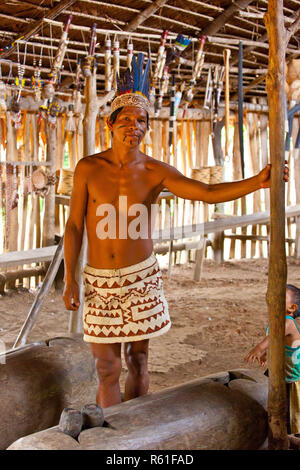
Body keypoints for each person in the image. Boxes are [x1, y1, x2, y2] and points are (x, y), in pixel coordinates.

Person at [62, 53, 289, 409]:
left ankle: (136, 430)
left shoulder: (157, 171)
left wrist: (257, 183)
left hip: (141, 279)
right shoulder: (88, 168)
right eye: (126, 119)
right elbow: (75, 225)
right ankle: (112, 439)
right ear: (110, 123)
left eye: (141, 120)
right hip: (99, 281)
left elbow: (208, 192)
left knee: (138, 360)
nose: (133, 126)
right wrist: (70, 279)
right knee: (106, 367)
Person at [244, 284, 300, 435]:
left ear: (292, 308)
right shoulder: (277, 320)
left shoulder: (287, 322)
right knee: (268, 395)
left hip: (291, 377)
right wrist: (266, 354)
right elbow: (276, 342)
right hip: (278, 370)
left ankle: (288, 438)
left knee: (287, 411)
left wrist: (259, 348)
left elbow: (272, 337)